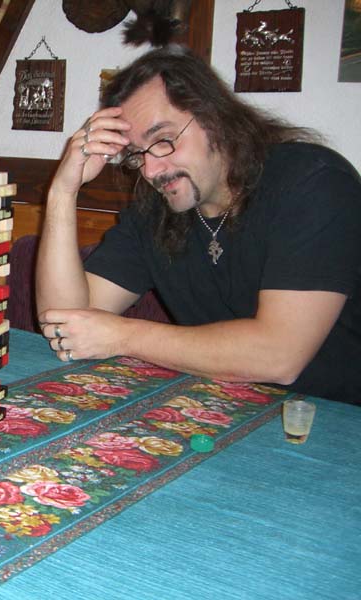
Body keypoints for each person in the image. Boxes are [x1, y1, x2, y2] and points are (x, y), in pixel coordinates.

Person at [36, 45, 361, 405]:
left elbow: (278, 356)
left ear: (214, 119)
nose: (152, 170)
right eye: (136, 155)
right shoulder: (155, 211)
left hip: (342, 418)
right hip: (232, 407)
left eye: (163, 140)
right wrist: (62, 191)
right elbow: (63, 323)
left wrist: (123, 336)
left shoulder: (313, 183)